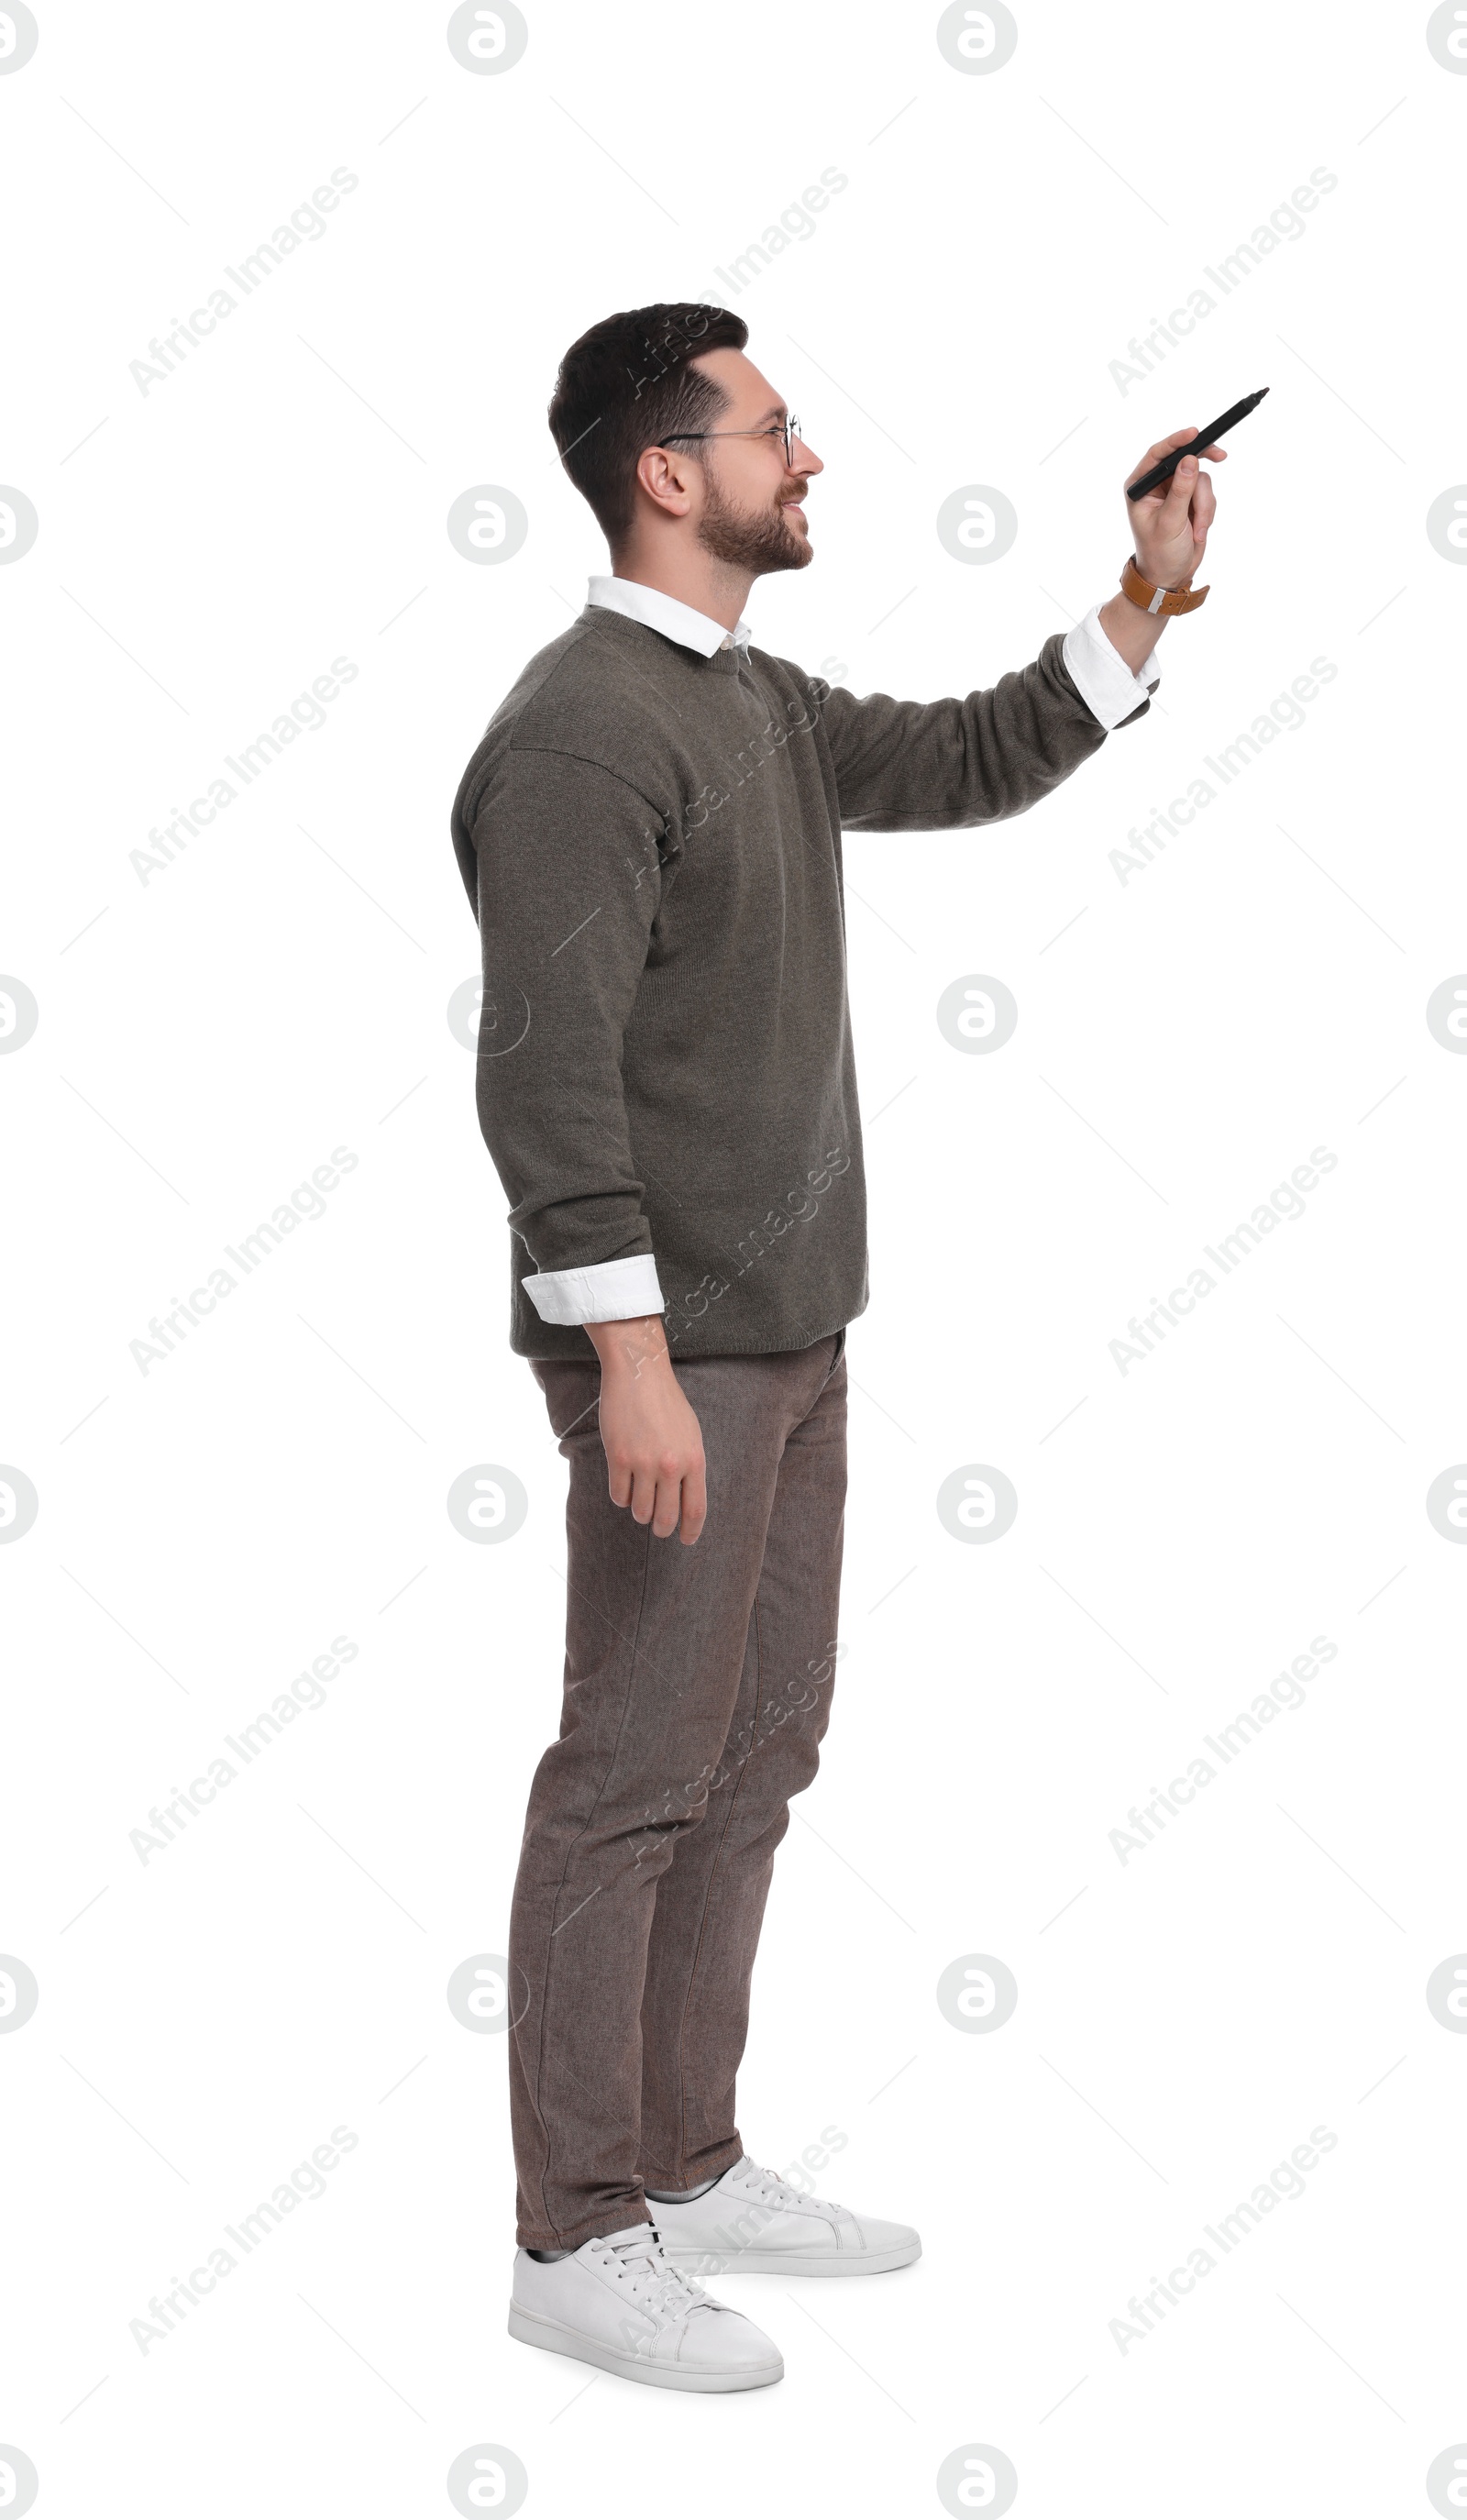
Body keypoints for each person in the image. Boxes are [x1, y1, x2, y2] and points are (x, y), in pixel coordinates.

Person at [448, 301, 1220, 2393]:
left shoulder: (755, 705)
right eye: (776, 432)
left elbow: (972, 753)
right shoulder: (578, 732)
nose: (815, 458)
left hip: (794, 1337)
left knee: (754, 1756)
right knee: (628, 1775)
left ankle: (685, 2165)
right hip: (670, 1355)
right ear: (664, 473)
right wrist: (618, 1360)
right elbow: (544, 1077)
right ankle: (571, 2228)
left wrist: (1142, 591)